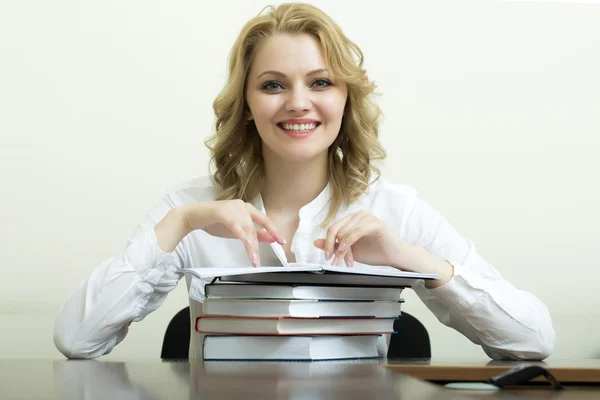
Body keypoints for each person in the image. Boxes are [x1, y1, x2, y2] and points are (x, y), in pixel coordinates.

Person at [54, 2, 555, 361]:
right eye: (273, 85)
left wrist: (413, 260)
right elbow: (77, 340)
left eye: (320, 83)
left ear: (345, 100)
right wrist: (182, 223)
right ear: (247, 105)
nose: (298, 102)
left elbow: (532, 340)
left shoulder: (394, 210)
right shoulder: (191, 208)